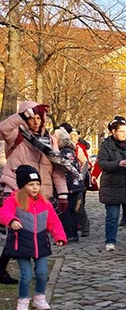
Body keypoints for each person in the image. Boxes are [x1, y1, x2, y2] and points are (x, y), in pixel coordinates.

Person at [0, 101, 69, 285]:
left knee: (39, 231)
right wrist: (22, 116)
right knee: (16, 234)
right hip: (17, 190)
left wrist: (62, 193)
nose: (36, 122)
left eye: (39, 117)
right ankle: (6, 268)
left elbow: (57, 167)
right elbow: (3, 129)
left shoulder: (50, 139)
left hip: (41, 192)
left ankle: (39, 270)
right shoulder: (17, 136)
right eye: (32, 118)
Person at [0, 165, 66, 310]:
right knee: (26, 274)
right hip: (21, 244)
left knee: (42, 273)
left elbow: (54, 222)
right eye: (31, 185)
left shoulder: (45, 203)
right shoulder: (14, 200)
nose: (35, 188)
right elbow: (4, 213)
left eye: (37, 184)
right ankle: (23, 300)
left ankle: (39, 297)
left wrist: (59, 236)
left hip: (40, 244)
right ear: (23, 186)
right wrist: (11, 220)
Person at [97, 116, 126, 251]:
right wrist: (118, 164)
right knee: (112, 216)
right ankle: (110, 240)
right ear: (113, 131)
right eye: (121, 131)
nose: (124, 134)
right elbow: (102, 163)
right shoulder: (106, 145)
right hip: (112, 185)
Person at [52, 128, 86, 243]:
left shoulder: (65, 152)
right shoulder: (70, 150)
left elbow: (64, 167)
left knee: (66, 211)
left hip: (69, 185)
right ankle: (73, 233)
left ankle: (69, 233)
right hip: (73, 185)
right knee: (71, 211)